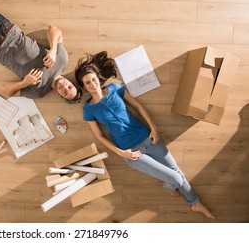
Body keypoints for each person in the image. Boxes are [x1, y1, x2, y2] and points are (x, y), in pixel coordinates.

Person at [74, 51, 216, 219]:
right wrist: (121, 153)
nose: (92, 84)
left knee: (175, 170)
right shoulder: (89, 109)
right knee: (176, 177)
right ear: (84, 86)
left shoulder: (114, 88)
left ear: (98, 78)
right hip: (132, 152)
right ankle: (174, 188)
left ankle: (194, 203)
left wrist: (154, 128)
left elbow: (138, 106)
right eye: (87, 83)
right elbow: (100, 136)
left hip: (148, 138)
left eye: (93, 80)